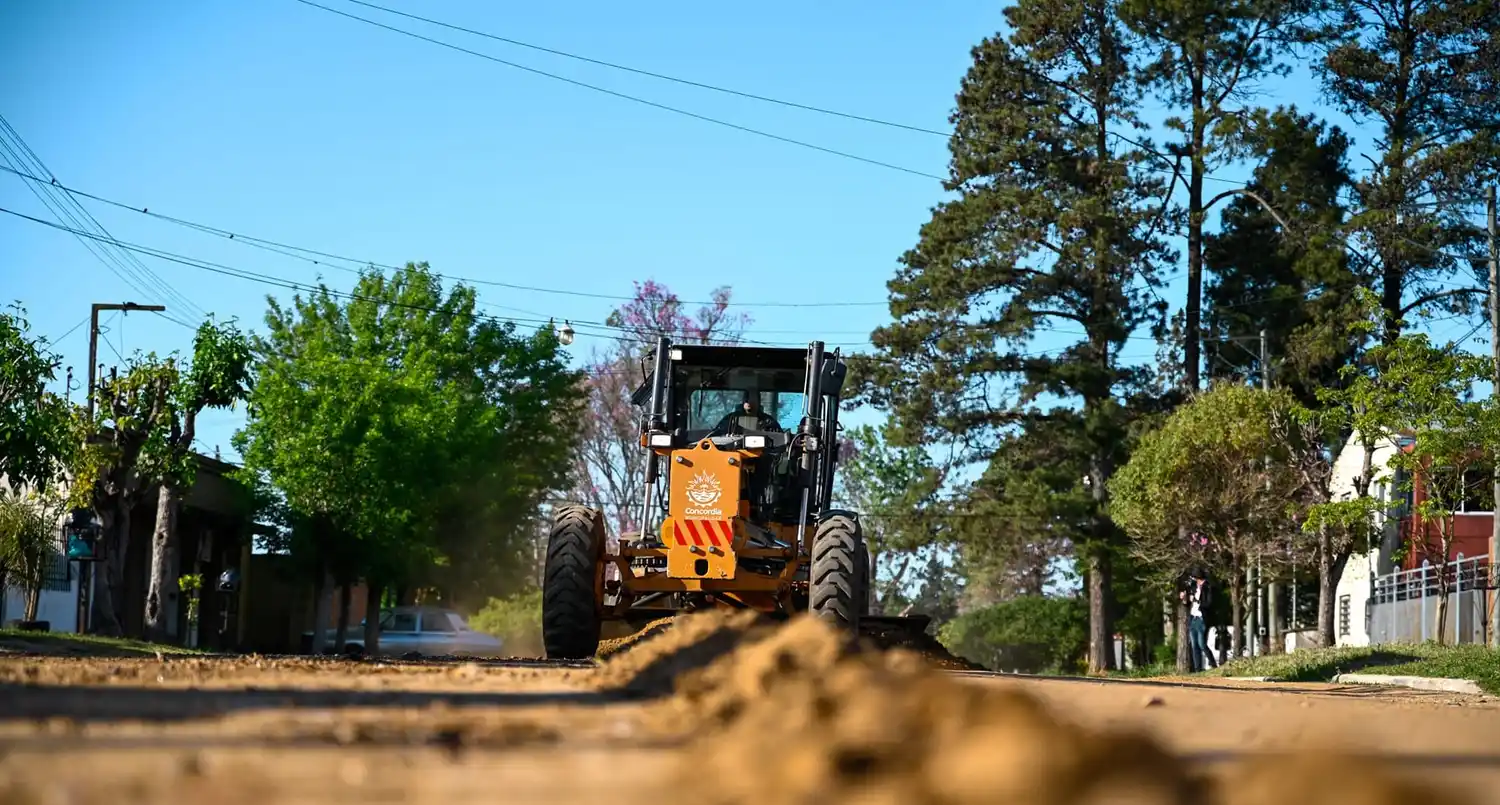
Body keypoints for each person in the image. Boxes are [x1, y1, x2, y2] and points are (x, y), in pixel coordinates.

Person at [1180, 569, 1217, 672]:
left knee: (1202, 644)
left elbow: (1208, 604)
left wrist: (1196, 600)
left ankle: (1213, 664)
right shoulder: (1194, 587)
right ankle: (1197, 669)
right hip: (1193, 617)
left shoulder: (1207, 587)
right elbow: (1188, 604)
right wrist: (1184, 599)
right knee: (1194, 645)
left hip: (1201, 618)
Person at [711, 395, 784, 435]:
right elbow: (717, 434)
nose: (749, 403)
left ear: (758, 402)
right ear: (743, 403)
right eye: (746, 400)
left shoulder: (769, 421)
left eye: (752, 400)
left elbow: (779, 437)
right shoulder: (731, 419)